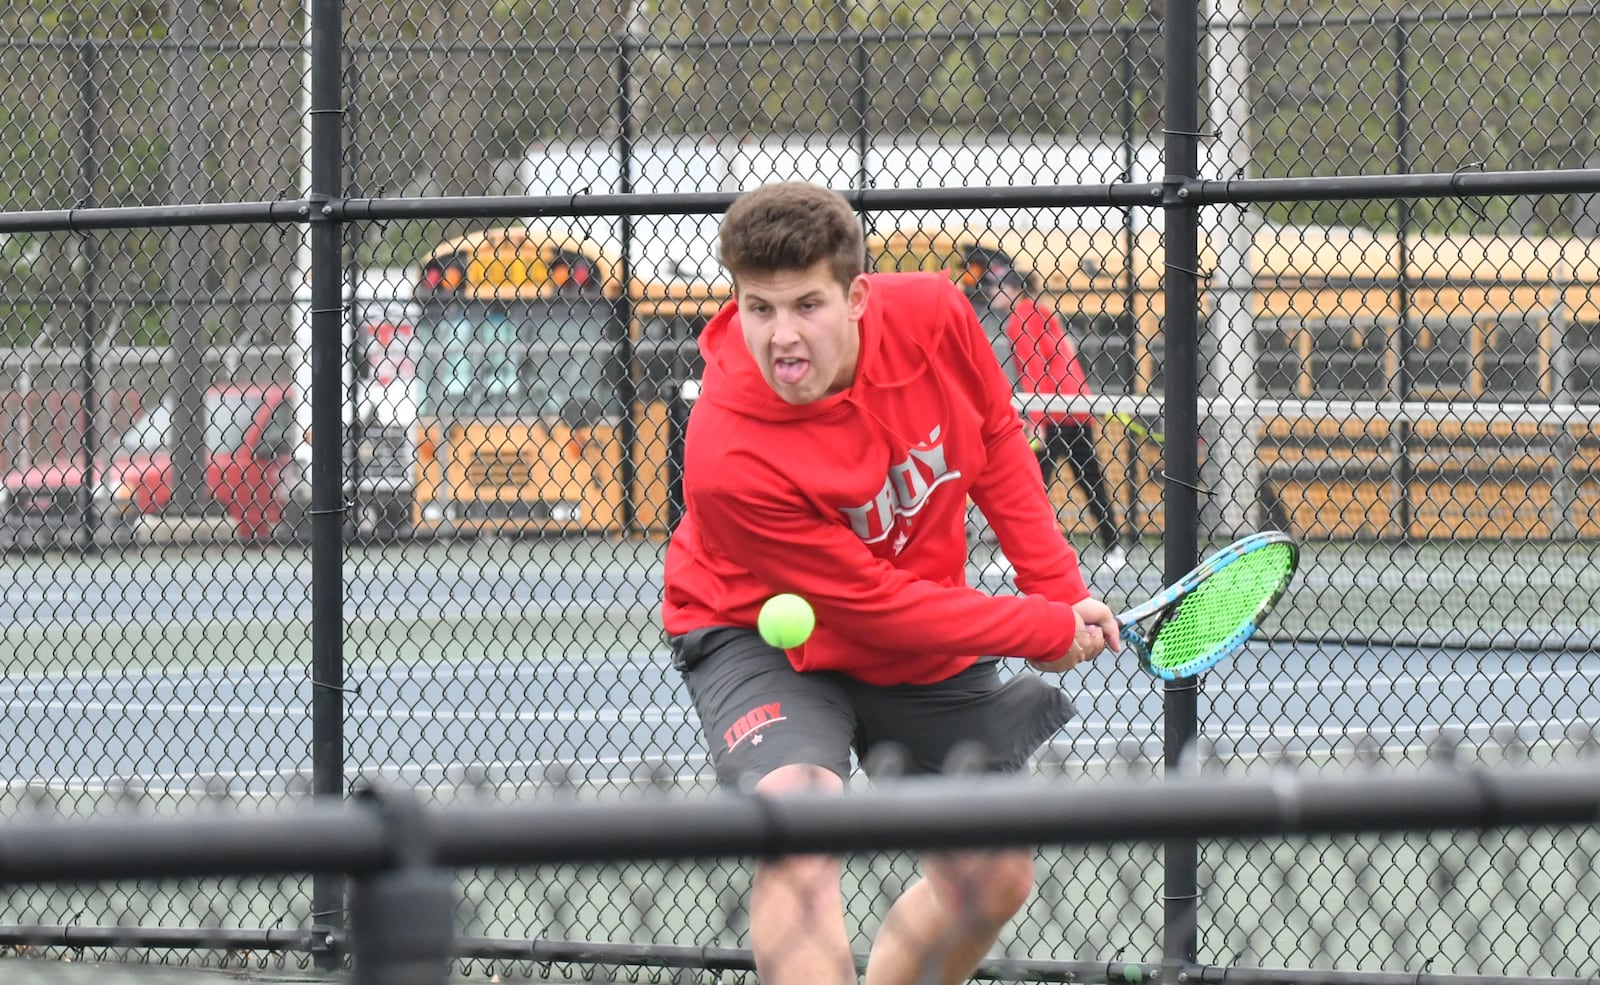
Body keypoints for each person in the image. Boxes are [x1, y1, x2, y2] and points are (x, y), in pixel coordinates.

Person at [661, 181, 1121, 985]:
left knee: (994, 877)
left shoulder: (936, 316)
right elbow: (872, 605)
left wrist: (1056, 590)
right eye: (759, 309)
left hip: (921, 621)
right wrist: (1037, 628)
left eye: (807, 304)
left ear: (859, 296)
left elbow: (998, 442)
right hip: (753, 626)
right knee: (799, 825)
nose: (782, 337)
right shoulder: (726, 453)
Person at [964, 246, 1125, 573]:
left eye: (996, 288)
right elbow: (1057, 363)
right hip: (1075, 407)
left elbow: (1033, 370)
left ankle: (1016, 555)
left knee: (1030, 486)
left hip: (1053, 412)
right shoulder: (1041, 311)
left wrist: (1036, 418)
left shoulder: (1021, 318)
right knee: (1088, 479)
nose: (992, 294)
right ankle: (1114, 548)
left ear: (1012, 289)